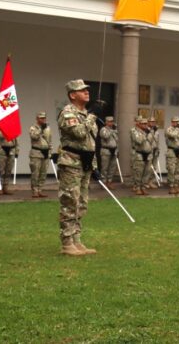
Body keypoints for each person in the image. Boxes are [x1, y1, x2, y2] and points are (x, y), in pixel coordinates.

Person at [57, 79, 100, 256]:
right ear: (72, 95)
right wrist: (92, 116)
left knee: (81, 202)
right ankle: (67, 243)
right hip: (71, 162)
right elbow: (80, 134)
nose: (87, 92)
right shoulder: (68, 113)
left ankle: (76, 240)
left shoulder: (84, 114)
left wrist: (94, 166)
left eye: (87, 89)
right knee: (70, 201)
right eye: (82, 90)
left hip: (85, 163)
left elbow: (91, 143)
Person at [29, 112, 53, 198]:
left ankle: (40, 190)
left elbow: (49, 140)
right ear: (37, 119)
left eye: (44, 118)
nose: (43, 120)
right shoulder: (33, 128)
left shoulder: (48, 128)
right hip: (36, 153)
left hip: (45, 152)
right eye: (41, 118)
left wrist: (50, 152)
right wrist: (40, 129)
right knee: (35, 173)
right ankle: (35, 191)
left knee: (43, 173)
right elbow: (34, 137)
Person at [129, 116, 151, 196]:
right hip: (139, 154)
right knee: (139, 172)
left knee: (147, 172)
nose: (146, 125)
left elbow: (151, 142)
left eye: (146, 124)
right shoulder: (134, 131)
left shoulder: (147, 131)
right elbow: (139, 141)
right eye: (143, 124)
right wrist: (144, 134)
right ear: (139, 124)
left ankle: (143, 187)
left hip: (148, 154)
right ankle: (138, 187)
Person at [165, 116, 179, 195]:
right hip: (171, 151)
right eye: (174, 122)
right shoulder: (168, 129)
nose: (176, 123)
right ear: (172, 122)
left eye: (177, 122)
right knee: (172, 170)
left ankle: (176, 186)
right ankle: (171, 186)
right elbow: (172, 135)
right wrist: (178, 131)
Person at [98, 116, 118, 185]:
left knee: (112, 167)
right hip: (106, 150)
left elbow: (116, 140)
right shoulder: (103, 129)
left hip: (113, 150)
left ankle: (109, 181)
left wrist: (114, 131)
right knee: (104, 168)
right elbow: (105, 136)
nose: (111, 123)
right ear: (106, 122)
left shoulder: (114, 130)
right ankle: (104, 182)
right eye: (109, 122)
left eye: (112, 121)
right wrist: (111, 131)